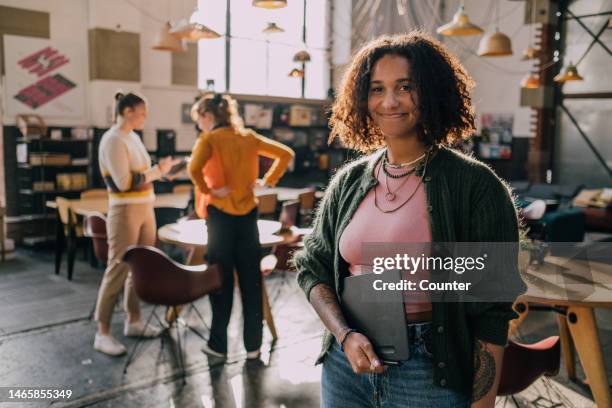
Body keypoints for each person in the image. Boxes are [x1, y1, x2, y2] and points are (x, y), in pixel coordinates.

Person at [293, 32, 526, 407]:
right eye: (376, 88)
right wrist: (343, 334)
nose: (389, 101)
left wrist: (482, 403)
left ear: (432, 92)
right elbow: (312, 267)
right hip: (346, 362)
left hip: (429, 366)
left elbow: (492, 309)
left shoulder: (476, 186)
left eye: (406, 87)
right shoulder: (349, 182)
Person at [188, 93, 295, 360]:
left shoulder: (209, 139)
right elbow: (286, 153)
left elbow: (193, 169)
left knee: (220, 281)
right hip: (248, 216)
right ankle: (253, 347)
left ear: (208, 116)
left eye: (198, 119)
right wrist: (267, 180)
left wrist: (210, 189)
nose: (199, 125)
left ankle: (218, 346)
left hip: (220, 217)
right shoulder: (249, 137)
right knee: (251, 281)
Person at [93, 91, 179, 356]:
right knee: (118, 268)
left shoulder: (133, 138)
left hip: (144, 206)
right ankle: (102, 332)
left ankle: (133, 320)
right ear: (128, 111)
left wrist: (158, 171)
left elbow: (141, 176)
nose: (145, 118)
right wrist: (157, 171)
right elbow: (123, 182)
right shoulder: (112, 139)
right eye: (142, 112)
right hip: (124, 209)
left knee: (139, 266)